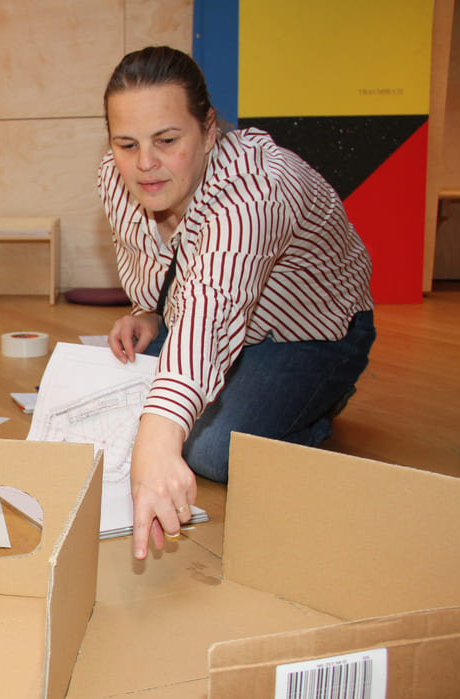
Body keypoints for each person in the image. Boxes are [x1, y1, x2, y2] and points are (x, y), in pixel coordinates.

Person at [98, 46, 375, 560]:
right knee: (131, 401)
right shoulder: (117, 178)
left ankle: (320, 403)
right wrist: (148, 314)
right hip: (216, 323)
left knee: (209, 449)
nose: (145, 164)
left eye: (167, 140)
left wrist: (158, 443)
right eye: (126, 143)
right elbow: (173, 278)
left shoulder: (257, 188)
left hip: (311, 333)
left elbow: (214, 303)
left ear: (208, 129)